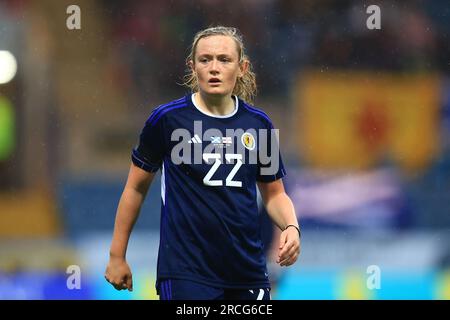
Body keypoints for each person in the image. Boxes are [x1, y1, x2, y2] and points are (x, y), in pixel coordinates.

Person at [104, 26, 300, 300]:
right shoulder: (167, 120)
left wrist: (291, 226)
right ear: (192, 66)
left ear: (242, 67)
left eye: (224, 59)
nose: (214, 68)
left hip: (248, 274)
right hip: (186, 274)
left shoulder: (259, 125)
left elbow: (274, 195)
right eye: (205, 59)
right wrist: (117, 255)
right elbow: (135, 189)